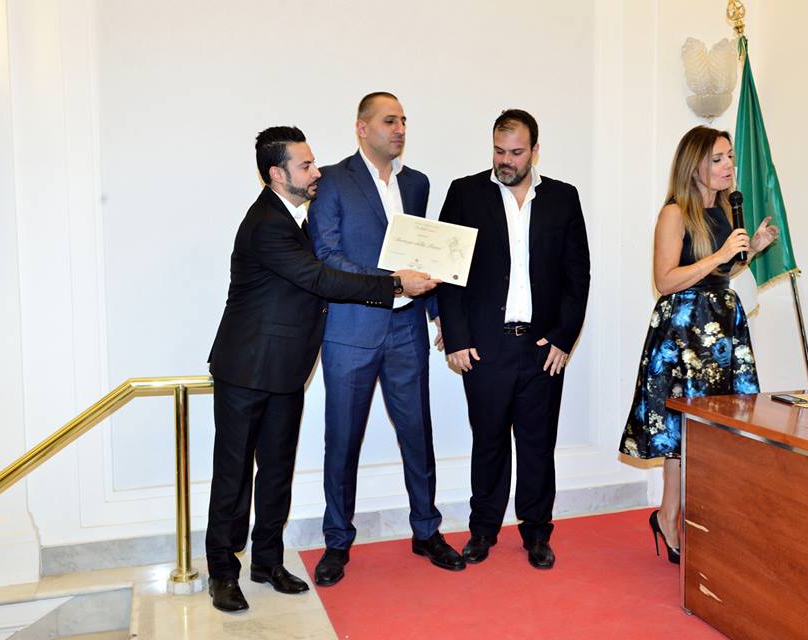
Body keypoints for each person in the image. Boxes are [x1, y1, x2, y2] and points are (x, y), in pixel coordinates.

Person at [206, 126, 438, 612]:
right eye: (306, 165)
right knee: (233, 477)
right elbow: (319, 278)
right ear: (278, 173)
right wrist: (395, 284)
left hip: (287, 370)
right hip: (246, 369)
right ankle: (222, 573)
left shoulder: (296, 219)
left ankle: (267, 563)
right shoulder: (267, 223)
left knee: (276, 473)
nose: (317, 172)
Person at [308, 92, 463, 586]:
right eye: (389, 121)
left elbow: (425, 257)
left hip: (406, 330)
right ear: (362, 127)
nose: (399, 129)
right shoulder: (331, 180)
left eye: (403, 122)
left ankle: (426, 531)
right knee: (342, 439)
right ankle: (337, 541)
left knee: (418, 433)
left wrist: (437, 313)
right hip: (350, 331)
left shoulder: (417, 183)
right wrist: (393, 283)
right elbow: (327, 256)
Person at [437, 109, 591, 569]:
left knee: (538, 445)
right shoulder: (464, 193)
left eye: (516, 152)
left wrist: (563, 337)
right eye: (499, 151)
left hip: (542, 348)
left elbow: (577, 274)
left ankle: (537, 533)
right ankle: (482, 530)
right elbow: (448, 272)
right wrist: (456, 337)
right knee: (488, 443)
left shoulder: (563, 197)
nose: (506, 160)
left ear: (535, 151)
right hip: (485, 346)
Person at [618, 126, 779, 563]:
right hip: (684, 331)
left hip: (722, 327)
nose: (729, 167)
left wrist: (752, 249)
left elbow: (721, 273)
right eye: (718, 159)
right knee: (681, 432)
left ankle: (686, 517)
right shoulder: (675, 213)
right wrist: (720, 254)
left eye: (730, 157)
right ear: (695, 166)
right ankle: (670, 517)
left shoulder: (726, 208)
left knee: (711, 430)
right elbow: (665, 279)